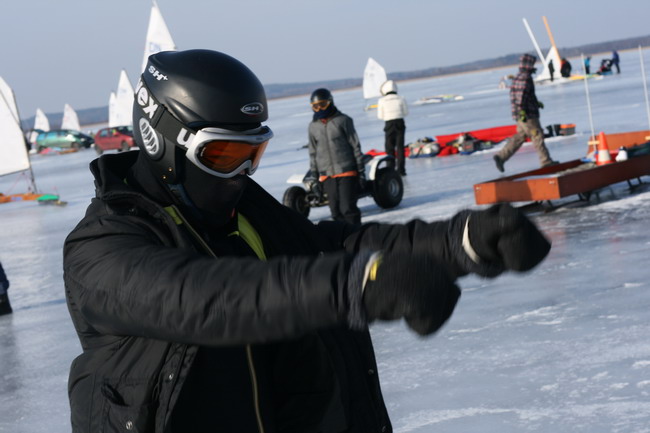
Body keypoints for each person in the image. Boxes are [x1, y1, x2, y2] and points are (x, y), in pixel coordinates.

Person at [63, 49, 552, 433]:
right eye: (224, 154)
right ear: (160, 142)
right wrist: (356, 288)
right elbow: (207, 297)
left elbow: (332, 247)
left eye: (253, 153)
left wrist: (457, 241)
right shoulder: (103, 247)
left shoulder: (247, 214)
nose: (240, 173)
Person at [308, 88, 365, 224]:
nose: (319, 109)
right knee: (335, 211)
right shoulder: (313, 127)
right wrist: (315, 178)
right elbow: (313, 152)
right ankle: (343, 241)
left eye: (323, 105)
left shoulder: (343, 120)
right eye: (315, 106)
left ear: (330, 102)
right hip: (327, 175)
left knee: (347, 208)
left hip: (346, 171)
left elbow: (355, 146)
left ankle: (356, 238)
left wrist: (361, 172)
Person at [494, 53, 558, 172]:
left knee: (520, 136)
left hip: (521, 114)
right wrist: (522, 111)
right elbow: (520, 96)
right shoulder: (525, 78)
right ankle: (546, 161)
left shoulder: (519, 76)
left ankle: (501, 156)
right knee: (537, 135)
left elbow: (522, 95)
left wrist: (534, 102)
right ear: (529, 64)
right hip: (527, 115)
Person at [377, 80, 409, 176]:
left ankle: (390, 169)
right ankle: (401, 170)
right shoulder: (401, 98)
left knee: (389, 147)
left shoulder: (382, 101)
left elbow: (380, 116)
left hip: (389, 124)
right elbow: (406, 112)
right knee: (400, 147)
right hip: (400, 123)